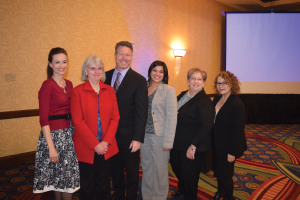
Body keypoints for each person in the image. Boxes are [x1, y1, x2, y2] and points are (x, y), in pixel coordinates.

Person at [70, 55, 120, 200]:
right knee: (87, 185)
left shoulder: (110, 91)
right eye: (93, 68)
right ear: (86, 70)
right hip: (86, 147)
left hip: (106, 146)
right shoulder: (77, 91)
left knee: (104, 184)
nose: (97, 71)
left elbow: (115, 118)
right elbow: (78, 122)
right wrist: (95, 144)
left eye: (99, 68)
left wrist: (105, 142)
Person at [33, 47, 80, 200]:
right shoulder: (47, 85)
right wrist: (51, 148)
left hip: (68, 135)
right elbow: (44, 120)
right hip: (53, 136)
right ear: (51, 64)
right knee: (62, 179)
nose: (61, 65)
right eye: (57, 62)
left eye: (64, 62)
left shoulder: (70, 84)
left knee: (63, 179)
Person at [105, 41, 148, 200]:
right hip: (109, 138)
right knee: (114, 172)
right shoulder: (105, 76)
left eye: (127, 55)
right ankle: (117, 196)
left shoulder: (139, 80)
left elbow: (141, 112)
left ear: (131, 57)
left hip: (130, 138)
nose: (124, 58)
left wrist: (138, 138)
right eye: (121, 54)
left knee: (131, 175)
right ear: (115, 55)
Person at [170, 68, 215, 200]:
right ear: (188, 81)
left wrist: (193, 145)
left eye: (199, 79)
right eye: (193, 78)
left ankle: (189, 196)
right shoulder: (183, 94)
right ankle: (182, 189)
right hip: (177, 142)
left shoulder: (205, 102)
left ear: (204, 82)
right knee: (176, 167)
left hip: (192, 145)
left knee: (190, 177)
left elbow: (206, 126)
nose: (196, 81)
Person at [140, 60, 177, 200]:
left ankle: (159, 197)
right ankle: (148, 196)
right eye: (155, 70)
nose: (157, 74)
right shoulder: (143, 87)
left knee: (160, 171)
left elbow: (172, 117)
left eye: (161, 71)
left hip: (160, 136)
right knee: (147, 168)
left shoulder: (168, 90)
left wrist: (168, 142)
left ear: (164, 74)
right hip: (143, 136)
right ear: (150, 71)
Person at [212, 71, 247, 200]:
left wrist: (232, 151)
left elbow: (237, 131)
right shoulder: (217, 98)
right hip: (216, 143)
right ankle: (220, 191)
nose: (221, 86)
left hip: (228, 146)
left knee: (226, 175)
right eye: (218, 83)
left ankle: (229, 196)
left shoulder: (236, 104)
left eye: (224, 83)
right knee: (218, 171)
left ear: (231, 84)